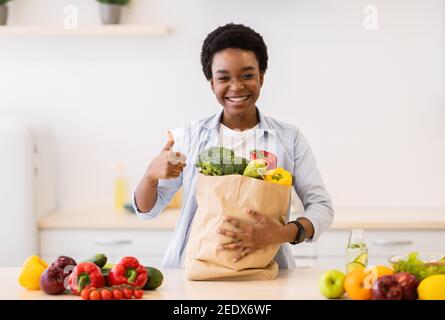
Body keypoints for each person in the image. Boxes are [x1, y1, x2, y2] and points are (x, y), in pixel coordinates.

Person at [133, 23, 334, 268]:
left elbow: (321, 207)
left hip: (266, 272)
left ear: (262, 77)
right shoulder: (188, 137)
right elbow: (147, 211)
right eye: (224, 78)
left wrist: (284, 233)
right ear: (211, 83)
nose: (236, 86)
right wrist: (151, 175)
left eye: (247, 75)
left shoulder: (288, 138)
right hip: (194, 271)